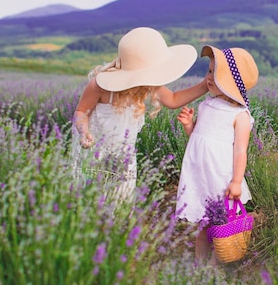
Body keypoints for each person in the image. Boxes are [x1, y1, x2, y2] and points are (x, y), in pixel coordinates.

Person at [72, 27, 208, 205]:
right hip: (94, 155)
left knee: (120, 204)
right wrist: (84, 132)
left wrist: (206, 85)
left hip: (124, 158)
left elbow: (174, 100)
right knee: (91, 203)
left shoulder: (148, 84)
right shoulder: (100, 86)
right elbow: (81, 112)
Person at [175, 45, 259, 264]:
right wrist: (188, 126)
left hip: (219, 177)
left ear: (232, 81)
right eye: (209, 71)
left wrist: (237, 182)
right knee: (202, 225)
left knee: (220, 224)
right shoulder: (206, 105)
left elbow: (241, 151)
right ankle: (199, 266)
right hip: (199, 175)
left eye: (215, 73)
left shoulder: (240, 115)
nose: (208, 78)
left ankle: (216, 267)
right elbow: (198, 138)